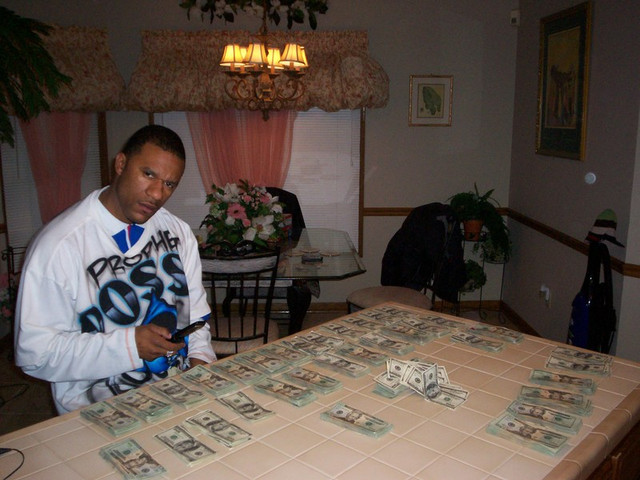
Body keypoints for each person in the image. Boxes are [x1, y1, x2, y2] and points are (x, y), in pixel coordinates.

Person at [14, 125, 216, 414]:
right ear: (120, 164)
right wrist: (129, 346)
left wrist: (200, 364)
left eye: (170, 184)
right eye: (148, 174)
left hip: (177, 398)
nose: (157, 193)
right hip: (94, 414)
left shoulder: (178, 233)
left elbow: (194, 318)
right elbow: (35, 355)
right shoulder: (59, 246)